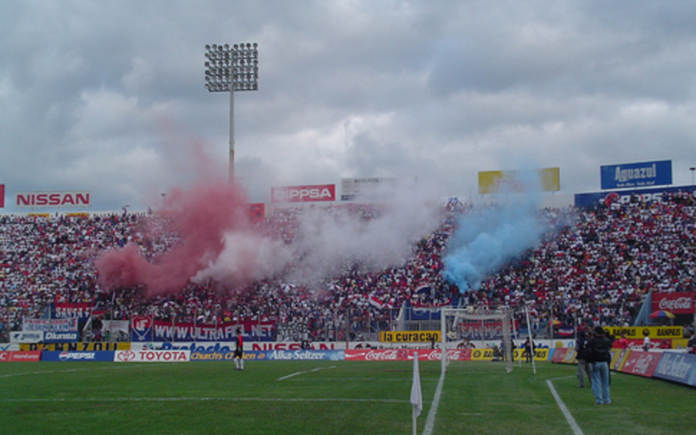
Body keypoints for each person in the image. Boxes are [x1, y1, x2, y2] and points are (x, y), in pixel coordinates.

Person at [587, 326, 612, 405]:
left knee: (596, 381)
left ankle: (599, 400)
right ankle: (607, 399)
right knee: (605, 382)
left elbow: (589, 350)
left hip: (596, 361)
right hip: (604, 361)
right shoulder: (607, 341)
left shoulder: (592, 341)